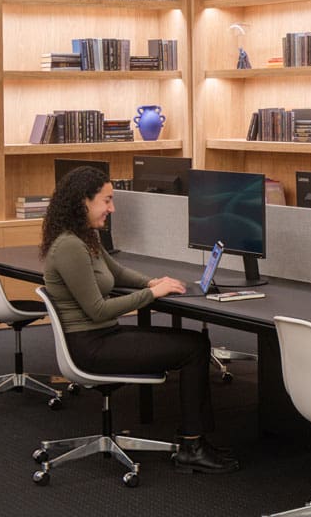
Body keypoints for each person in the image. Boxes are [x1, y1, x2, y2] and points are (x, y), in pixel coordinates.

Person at [40, 165, 238, 474]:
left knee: (195, 343)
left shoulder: (84, 237)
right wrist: (153, 295)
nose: (112, 208)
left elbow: (116, 272)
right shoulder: (69, 247)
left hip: (103, 337)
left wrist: (150, 282)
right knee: (194, 348)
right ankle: (191, 446)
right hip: (90, 347)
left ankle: (195, 440)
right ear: (84, 202)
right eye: (106, 200)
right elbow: (98, 310)